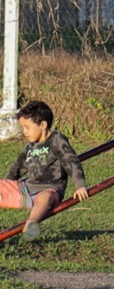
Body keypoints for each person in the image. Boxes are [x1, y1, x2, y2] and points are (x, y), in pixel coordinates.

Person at [0, 100, 89, 241]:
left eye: (27, 127)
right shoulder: (30, 147)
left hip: (50, 189)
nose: (24, 132)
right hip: (27, 188)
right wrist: (6, 186)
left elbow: (71, 161)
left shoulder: (56, 140)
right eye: (22, 128)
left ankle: (32, 223)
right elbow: (16, 168)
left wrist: (80, 185)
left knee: (44, 198)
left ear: (42, 125)